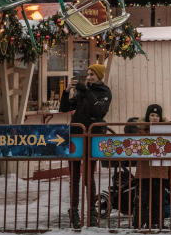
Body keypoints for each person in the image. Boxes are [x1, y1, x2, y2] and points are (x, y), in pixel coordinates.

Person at [60, 63, 112, 229]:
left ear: (99, 76)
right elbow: (65, 107)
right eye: (88, 74)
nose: (89, 77)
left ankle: (91, 211)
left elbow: (99, 110)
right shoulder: (83, 92)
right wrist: (67, 91)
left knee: (88, 176)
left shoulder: (104, 92)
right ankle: (74, 211)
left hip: (91, 137)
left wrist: (86, 91)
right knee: (74, 176)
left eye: (92, 74)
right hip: (75, 135)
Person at [132, 104, 171, 229]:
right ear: (148, 117)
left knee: (159, 199)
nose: (154, 118)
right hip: (144, 171)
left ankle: (157, 223)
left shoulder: (165, 131)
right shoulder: (141, 130)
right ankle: (139, 223)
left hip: (160, 171)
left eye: (157, 116)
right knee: (142, 200)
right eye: (152, 115)